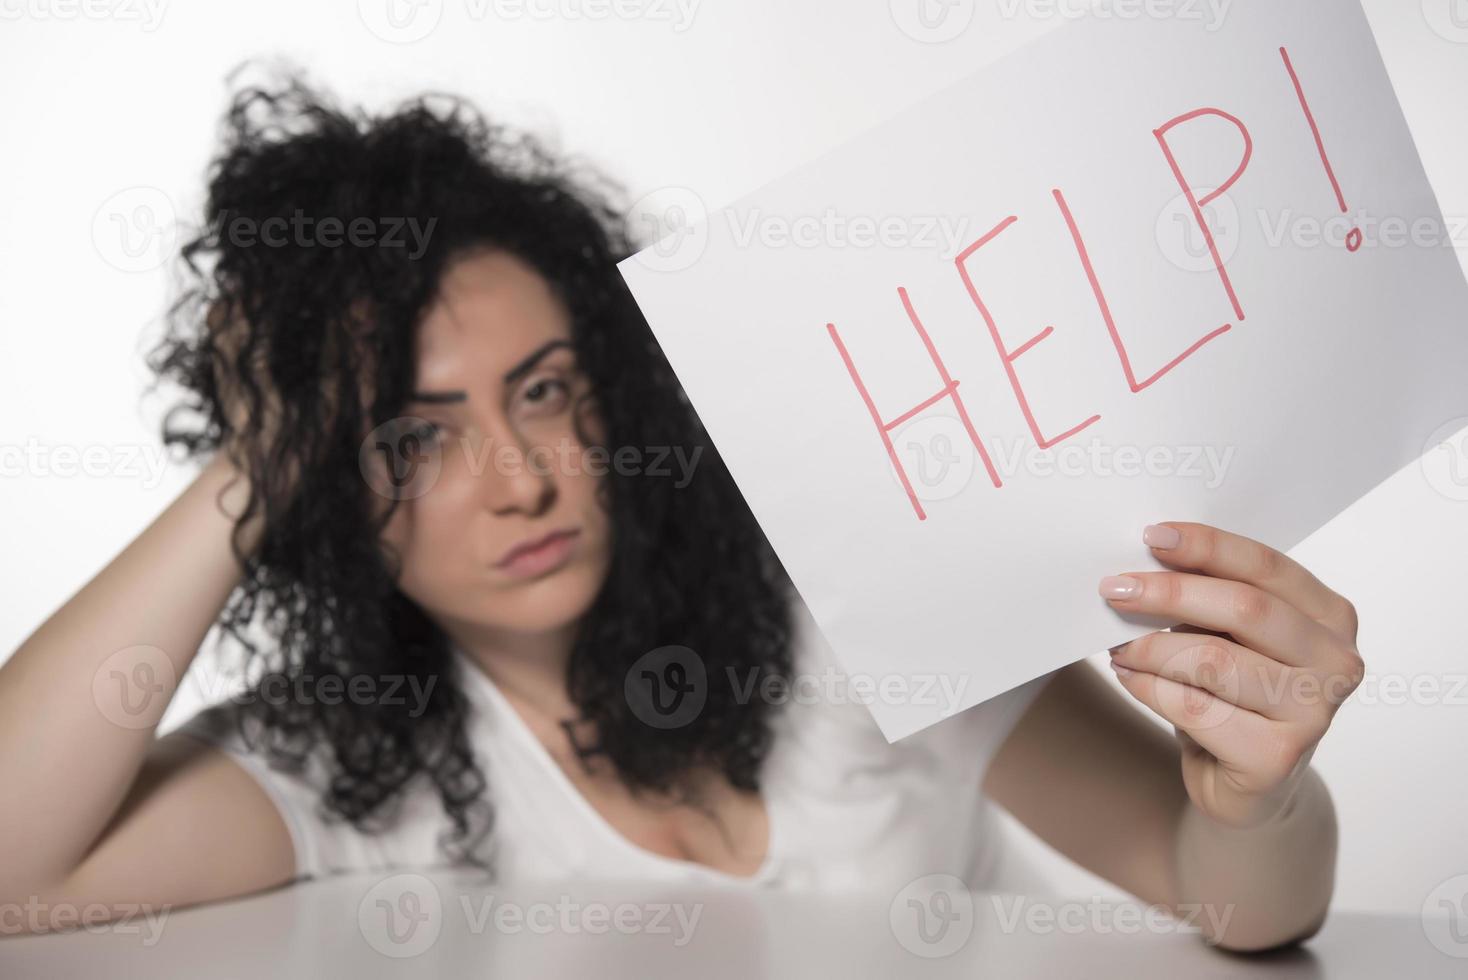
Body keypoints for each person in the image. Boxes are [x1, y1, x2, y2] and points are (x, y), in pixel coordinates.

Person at [0, 74, 1364, 952]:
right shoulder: (366, 764)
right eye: (413, 436)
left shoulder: (850, 601)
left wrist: (1258, 793)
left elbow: (1238, 903)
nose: (520, 478)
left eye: (546, 390)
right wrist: (257, 459)